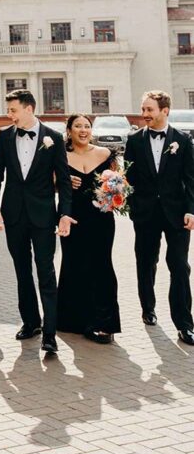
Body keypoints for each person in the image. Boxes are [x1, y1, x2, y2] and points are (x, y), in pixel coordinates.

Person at [0, 88, 74, 354]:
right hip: (13, 215)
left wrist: (65, 213)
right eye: (9, 110)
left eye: (13, 110)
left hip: (43, 215)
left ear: (29, 109)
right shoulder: (3, 136)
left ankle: (50, 333)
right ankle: (30, 322)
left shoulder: (54, 138)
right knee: (22, 271)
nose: (9, 115)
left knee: (46, 271)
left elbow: (65, 180)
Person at [125, 90, 194, 345]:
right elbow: (128, 178)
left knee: (179, 266)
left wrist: (191, 210)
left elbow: (191, 180)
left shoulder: (183, 141)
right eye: (143, 110)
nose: (144, 115)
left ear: (165, 111)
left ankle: (185, 324)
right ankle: (148, 308)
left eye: (149, 110)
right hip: (145, 214)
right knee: (146, 262)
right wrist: (132, 206)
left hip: (176, 215)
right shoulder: (134, 141)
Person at [56, 113, 121, 343]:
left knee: (102, 265)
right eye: (78, 126)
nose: (83, 130)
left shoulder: (105, 154)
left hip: (101, 219)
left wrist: (114, 189)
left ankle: (105, 323)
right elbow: (48, 182)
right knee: (74, 264)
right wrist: (60, 182)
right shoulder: (60, 155)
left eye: (87, 126)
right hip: (71, 217)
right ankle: (72, 320)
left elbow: (121, 184)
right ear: (69, 130)